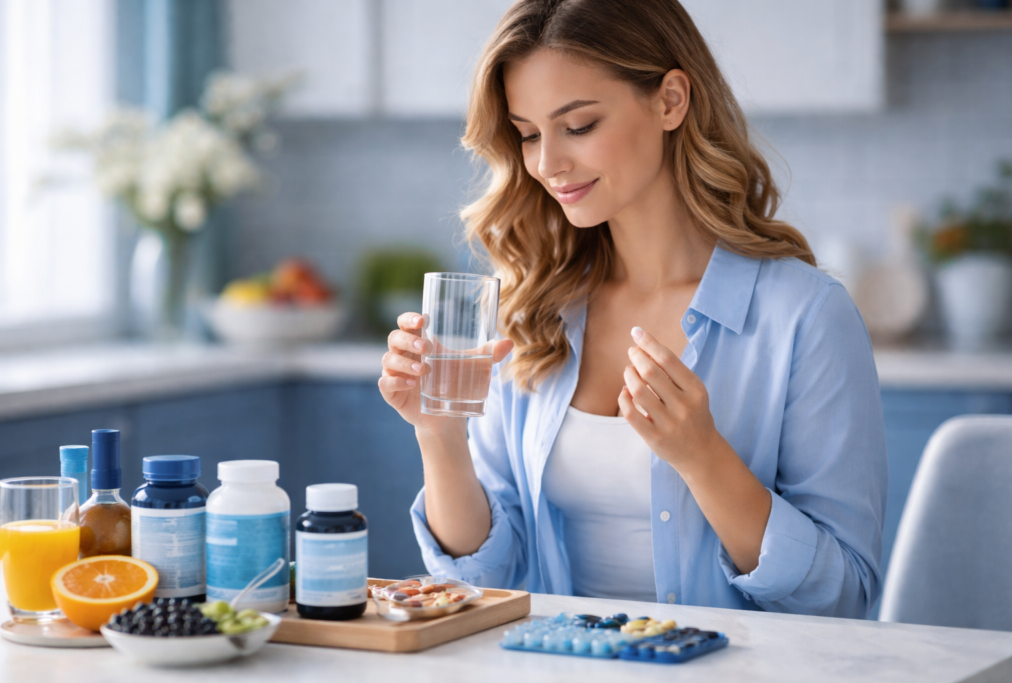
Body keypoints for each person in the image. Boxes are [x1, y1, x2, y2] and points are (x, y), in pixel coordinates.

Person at [378, 0, 887, 618]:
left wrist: (702, 456)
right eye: (530, 134)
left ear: (671, 100)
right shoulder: (534, 310)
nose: (547, 164)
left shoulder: (804, 317)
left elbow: (841, 598)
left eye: (580, 125)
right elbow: (488, 576)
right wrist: (439, 435)